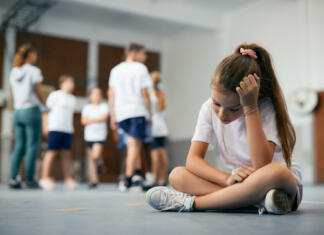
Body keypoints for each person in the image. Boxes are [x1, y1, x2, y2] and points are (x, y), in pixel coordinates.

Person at [146, 43, 302, 215]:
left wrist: (250, 108)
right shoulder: (207, 108)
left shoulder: (264, 108)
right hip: (240, 184)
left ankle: (193, 203)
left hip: (276, 183)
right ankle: (253, 201)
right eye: (216, 103)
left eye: (234, 109)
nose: (222, 114)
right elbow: (193, 160)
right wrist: (226, 178)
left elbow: (261, 164)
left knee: (276, 171)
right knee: (177, 175)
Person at [108, 42, 152, 191]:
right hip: (136, 111)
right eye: (143, 54)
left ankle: (137, 175)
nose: (145, 57)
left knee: (134, 144)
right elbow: (144, 93)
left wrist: (113, 115)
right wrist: (150, 113)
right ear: (133, 53)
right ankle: (126, 179)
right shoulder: (141, 68)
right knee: (134, 145)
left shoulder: (115, 70)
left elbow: (111, 93)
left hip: (121, 113)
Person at [9, 43, 46, 189]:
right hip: (31, 111)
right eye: (34, 54)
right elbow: (38, 90)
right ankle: (30, 179)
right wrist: (45, 104)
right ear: (30, 55)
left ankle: (14, 179)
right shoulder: (34, 71)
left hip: (17, 112)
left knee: (19, 146)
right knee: (32, 146)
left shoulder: (14, 71)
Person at [39, 74, 77, 190]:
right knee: (51, 152)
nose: (72, 85)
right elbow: (46, 112)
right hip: (55, 128)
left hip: (67, 130)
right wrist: (45, 126)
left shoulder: (72, 99)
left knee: (67, 154)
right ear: (62, 84)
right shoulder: (54, 95)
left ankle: (68, 178)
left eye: (72, 82)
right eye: (69, 82)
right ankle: (44, 177)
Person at [144, 71, 169, 190]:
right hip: (162, 127)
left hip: (153, 127)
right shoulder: (161, 94)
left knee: (154, 154)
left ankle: (153, 179)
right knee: (162, 153)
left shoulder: (150, 93)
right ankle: (163, 179)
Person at [81, 88, 109, 189]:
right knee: (91, 160)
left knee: (95, 155)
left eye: (99, 94)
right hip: (89, 136)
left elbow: (104, 117)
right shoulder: (87, 107)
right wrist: (97, 119)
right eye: (95, 94)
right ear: (90, 97)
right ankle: (94, 180)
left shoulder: (104, 106)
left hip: (99, 135)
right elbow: (83, 121)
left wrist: (90, 120)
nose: (97, 96)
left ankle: (100, 162)